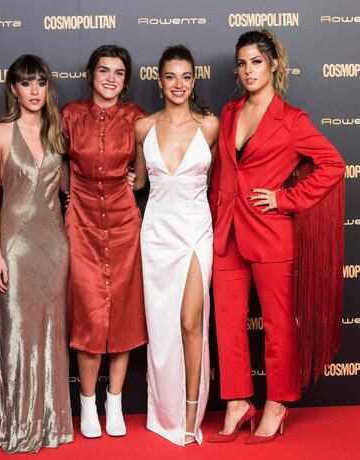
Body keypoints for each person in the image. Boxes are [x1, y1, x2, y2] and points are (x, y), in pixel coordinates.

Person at [208, 29, 345, 444]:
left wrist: (286, 198)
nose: (248, 70)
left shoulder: (293, 120)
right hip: (228, 232)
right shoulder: (230, 112)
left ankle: (277, 403)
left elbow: (333, 165)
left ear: (273, 66)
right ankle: (236, 401)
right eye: (242, 63)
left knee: (278, 325)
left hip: (271, 234)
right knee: (228, 321)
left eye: (256, 62)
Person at [0, 54, 74, 453]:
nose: (34, 91)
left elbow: (71, 186)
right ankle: (16, 423)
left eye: (40, 83)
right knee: (15, 335)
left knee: (52, 336)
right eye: (26, 83)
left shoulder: (57, 131)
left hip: (55, 247)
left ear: (48, 88)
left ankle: (51, 421)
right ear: (13, 89)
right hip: (15, 249)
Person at [132, 45, 219, 446]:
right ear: (159, 80)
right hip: (157, 237)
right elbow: (137, 184)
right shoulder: (143, 129)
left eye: (186, 76)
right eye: (171, 76)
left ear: (194, 79)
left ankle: (190, 415)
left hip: (196, 233)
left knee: (190, 322)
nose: (179, 84)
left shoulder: (210, 126)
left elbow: (217, 181)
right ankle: (165, 414)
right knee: (163, 330)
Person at [60, 45, 148, 439]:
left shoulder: (136, 118)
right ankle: (88, 403)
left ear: (126, 80)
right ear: (91, 75)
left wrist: (137, 180)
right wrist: (70, 195)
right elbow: (59, 165)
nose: (110, 78)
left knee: (125, 312)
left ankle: (115, 401)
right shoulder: (70, 115)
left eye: (118, 73)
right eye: (103, 71)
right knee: (90, 315)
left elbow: (144, 174)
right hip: (80, 222)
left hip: (124, 222)